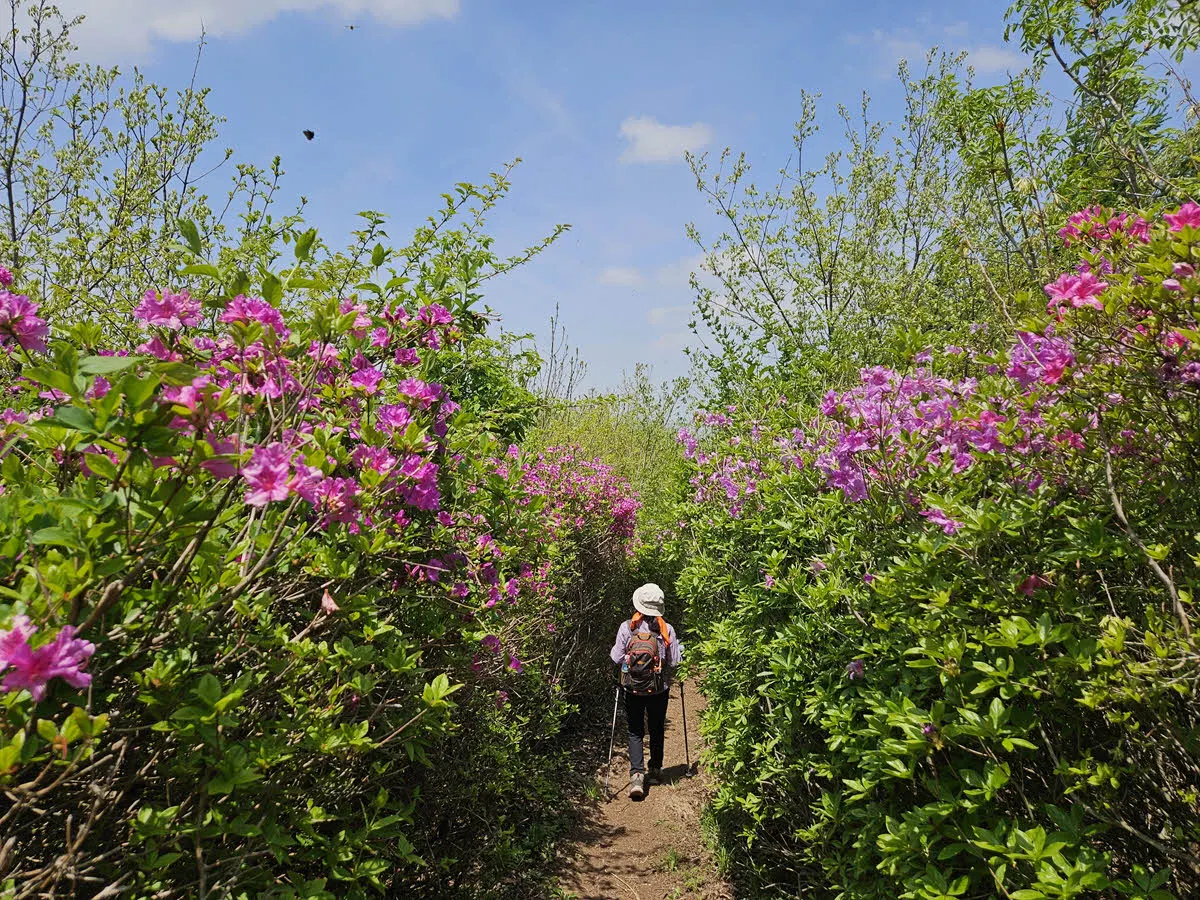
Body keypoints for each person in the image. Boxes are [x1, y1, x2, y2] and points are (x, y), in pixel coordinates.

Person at [610, 582, 682, 800]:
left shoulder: (627, 627)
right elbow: (674, 662)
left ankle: (636, 776)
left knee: (634, 730)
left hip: (632, 688)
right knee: (657, 727)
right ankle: (656, 770)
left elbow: (615, 657)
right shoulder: (666, 629)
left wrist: (630, 662)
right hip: (658, 689)